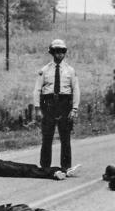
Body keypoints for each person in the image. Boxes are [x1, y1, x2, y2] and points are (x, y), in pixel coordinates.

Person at [33, 39, 80, 171]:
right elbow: (37, 89)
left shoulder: (70, 70)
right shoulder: (45, 70)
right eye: (56, 52)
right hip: (48, 105)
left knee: (65, 137)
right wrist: (37, 108)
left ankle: (66, 166)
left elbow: (75, 89)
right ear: (52, 53)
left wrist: (74, 109)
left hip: (64, 104)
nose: (59, 55)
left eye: (62, 52)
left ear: (65, 53)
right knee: (47, 136)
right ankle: (45, 167)